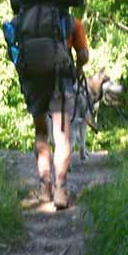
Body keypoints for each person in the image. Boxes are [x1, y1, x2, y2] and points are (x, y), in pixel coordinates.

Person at [24, 14, 88, 209]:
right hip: (61, 83)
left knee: (41, 133)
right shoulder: (72, 23)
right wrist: (77, 69)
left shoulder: (29, 20)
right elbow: (84, 56)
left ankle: (45, 189)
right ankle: (60, 190)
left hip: (34, 83)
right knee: (62, 137)